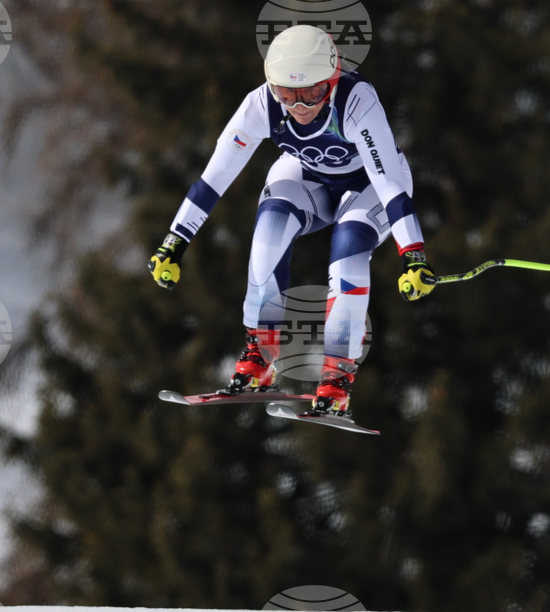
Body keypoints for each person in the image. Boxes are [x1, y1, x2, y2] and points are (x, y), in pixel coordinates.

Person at [149, 25, 436, 418]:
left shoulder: (357, 102)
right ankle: (260, 354)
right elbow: (214, 178)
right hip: (310, 177)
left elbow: (390, 187)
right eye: (287, 94)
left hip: (371, 185)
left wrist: (413, 255)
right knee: (270, 230)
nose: (300, 106)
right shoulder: (260, 105)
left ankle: (336, 379)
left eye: (312, 93)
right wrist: (174, 242)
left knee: (349, 253)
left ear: (331, 81)